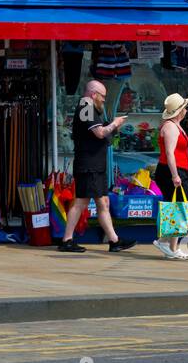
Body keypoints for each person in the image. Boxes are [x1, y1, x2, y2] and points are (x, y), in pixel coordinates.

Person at [58, 80, 136, 253]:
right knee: (89, 202)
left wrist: (113, 126)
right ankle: (70, 239)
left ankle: (112, 241)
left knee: (98, 202)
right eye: (102, 96)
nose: (103, 100)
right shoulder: (86, 106)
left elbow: (102, 135)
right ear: (93, 94)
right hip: (89, 165)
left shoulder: (91, 108)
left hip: (94, 165)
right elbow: (99, 132)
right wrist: (115, 124)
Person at [155, 92, 188, 260]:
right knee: (182, 208)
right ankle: (163, 241)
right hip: (172, 171)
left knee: (177, 209)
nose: (186, 110)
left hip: (179, 170)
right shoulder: (171, 126)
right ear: (179, 110)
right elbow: (170, 154)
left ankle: (172, 248)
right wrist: (175, 176)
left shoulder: (176, 125)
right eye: (184, 108)